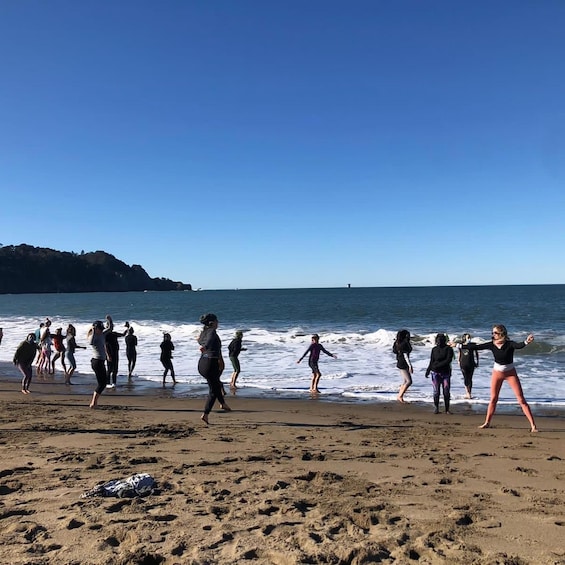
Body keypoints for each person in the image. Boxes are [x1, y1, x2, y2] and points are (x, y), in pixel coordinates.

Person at [467, 324, 538, 432]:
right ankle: (487, 423)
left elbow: (519, 345)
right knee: (493, 399)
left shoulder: (509, 344)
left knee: (521, 399)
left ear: (501, 334)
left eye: (495, 333)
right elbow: (476, 347)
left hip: (510, 374)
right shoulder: (492, 344)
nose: (493, 335)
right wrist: (457, 346)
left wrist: (527, 341)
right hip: (497, 373)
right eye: (492, 333)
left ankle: (533, 426)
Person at [197, 313, 230, 424]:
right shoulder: (211, 332)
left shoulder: (203, 332)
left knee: (215, 384)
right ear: (212, 323)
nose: (218, 323)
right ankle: (206, 414)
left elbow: (201, 340)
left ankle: (223, 403)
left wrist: (220, 359)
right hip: (210, 363)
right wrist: (205, 347)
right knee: (213, 390)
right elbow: (209, 341)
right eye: (217, 321)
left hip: (203, 363)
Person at [425, 333, 454, 414]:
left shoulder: (449, 349)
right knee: (436, 392)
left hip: (445, 372)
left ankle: (447, 409)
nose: (439, 341)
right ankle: (436, 408)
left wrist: (438, 365)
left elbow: (448, 360)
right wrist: (428, 370)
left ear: (444, 340)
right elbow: (431, 361)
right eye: (438, 340)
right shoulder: (434, 349)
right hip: (435, 373)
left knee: (446, 391)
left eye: (441, 340)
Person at [88, 320, 109, 408]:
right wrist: (93, 330)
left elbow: (110, 329)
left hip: (100, 361)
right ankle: (93, 403)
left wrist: (110, 320)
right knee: (102, 383)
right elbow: (91, 342)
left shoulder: (101, 334)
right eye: (99, 328)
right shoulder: (93, 336)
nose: (101, 330)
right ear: (96, 328)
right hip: (97, 362)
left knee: (103, 383)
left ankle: (94, 403)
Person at [393, 329, 413, 403]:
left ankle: (400, 395)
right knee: (409, 381)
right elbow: (405, 356)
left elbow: (395, 351)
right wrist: (410, 366)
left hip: (399, 361)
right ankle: (400, 396)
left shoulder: (396, 343)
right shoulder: (405, 343)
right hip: (404, 363)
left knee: (405, 381)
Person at [458, 333, 479, 399]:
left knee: (470, 378)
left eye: (469, 337)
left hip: (471, 363)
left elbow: (476, 353)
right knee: (465, 378)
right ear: (464, 338)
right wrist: (458, 361)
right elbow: (459, 353)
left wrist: (477, 362)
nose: (469, 339)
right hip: (463, 363)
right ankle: (467, 392)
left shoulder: (473, 345)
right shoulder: (460, 345)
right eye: (467, 337)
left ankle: (469, 393)